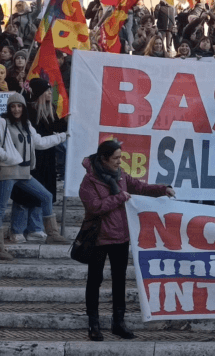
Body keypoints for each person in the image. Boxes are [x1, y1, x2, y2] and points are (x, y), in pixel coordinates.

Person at [79, 140, 175, 341]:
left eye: (120, 157)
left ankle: (118, 322)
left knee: (120, 281)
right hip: (98, 238)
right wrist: (119, 198)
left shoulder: (121, 175)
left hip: (121, 236)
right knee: (94, 281)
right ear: (104, 159)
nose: (119, 162)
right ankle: (93, 323)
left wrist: (162, 189)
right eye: (115, 158)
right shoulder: (89, 181)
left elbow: (139, 187)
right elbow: (94, 207)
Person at [0, 93, 68, 260]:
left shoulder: (26, 124)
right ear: (9, 108)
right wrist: (8, 157)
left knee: (46, 196)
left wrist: (63, 136)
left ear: (23, 108)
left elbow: (40, 143)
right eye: (13, 106)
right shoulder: (1, 122)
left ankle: (52, 234)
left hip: (24, 173)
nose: (16, 109)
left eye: (19, 106)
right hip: (8, 172)